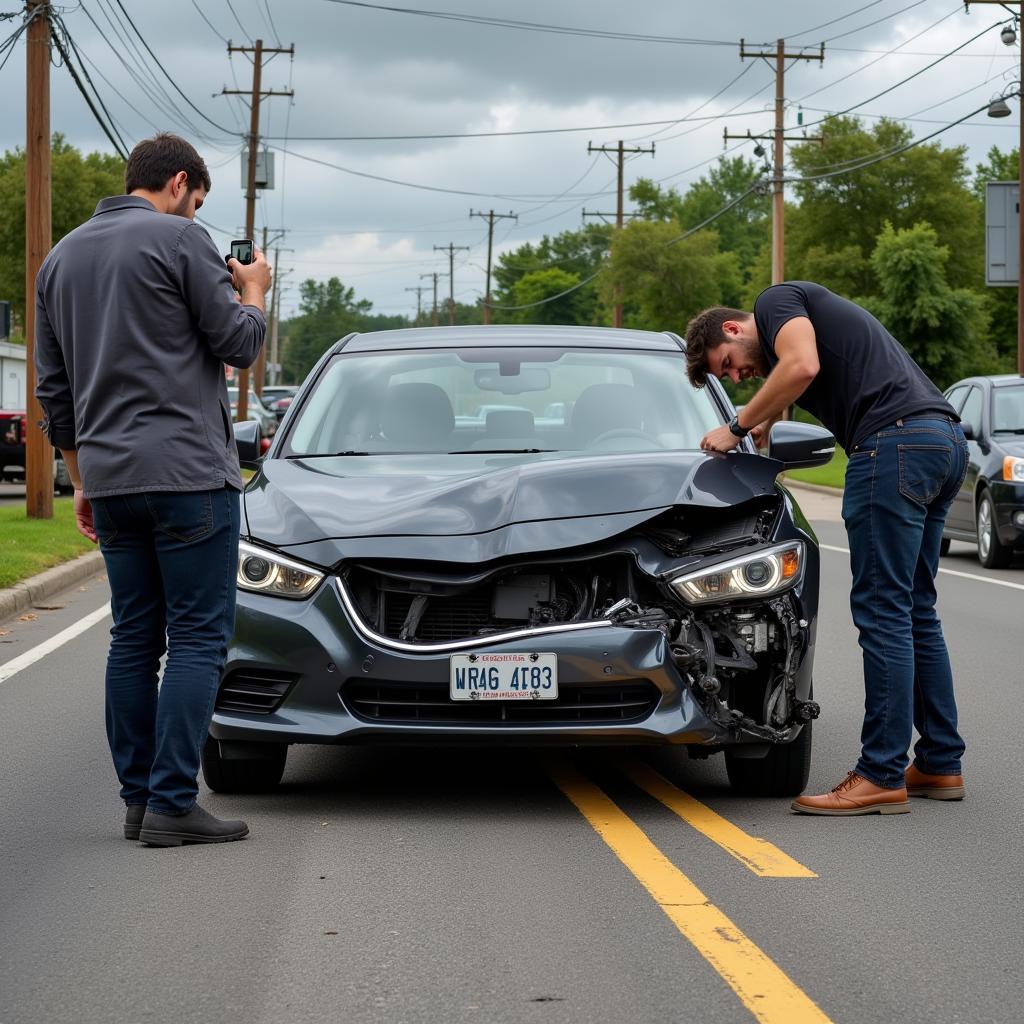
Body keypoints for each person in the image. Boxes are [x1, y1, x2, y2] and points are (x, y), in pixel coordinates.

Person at [34, 133, 272, 846]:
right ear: (178, 184)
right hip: (189, 476)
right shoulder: (183, 240)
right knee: (200, 638)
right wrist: (253, 291)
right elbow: (238, 344)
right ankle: (173, 803)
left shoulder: (59, 259)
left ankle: (139, 801)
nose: (193, 209)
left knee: (134, 637)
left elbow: (55, 392)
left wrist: (81, 482)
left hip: (109, 479)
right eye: (195, 199)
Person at [685, 281, 968, 816]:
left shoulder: (774, 302)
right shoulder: (798, 322)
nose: (738, 376)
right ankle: (939, 761)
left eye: (728, 365)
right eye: (731, 378)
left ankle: (880, 774)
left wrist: (737, 424)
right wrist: (769, 415)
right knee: (914, 612)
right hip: (941, 442)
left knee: (883, 613)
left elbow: (803, 365)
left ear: (731, 328)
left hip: (892, 449)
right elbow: (811, 369)